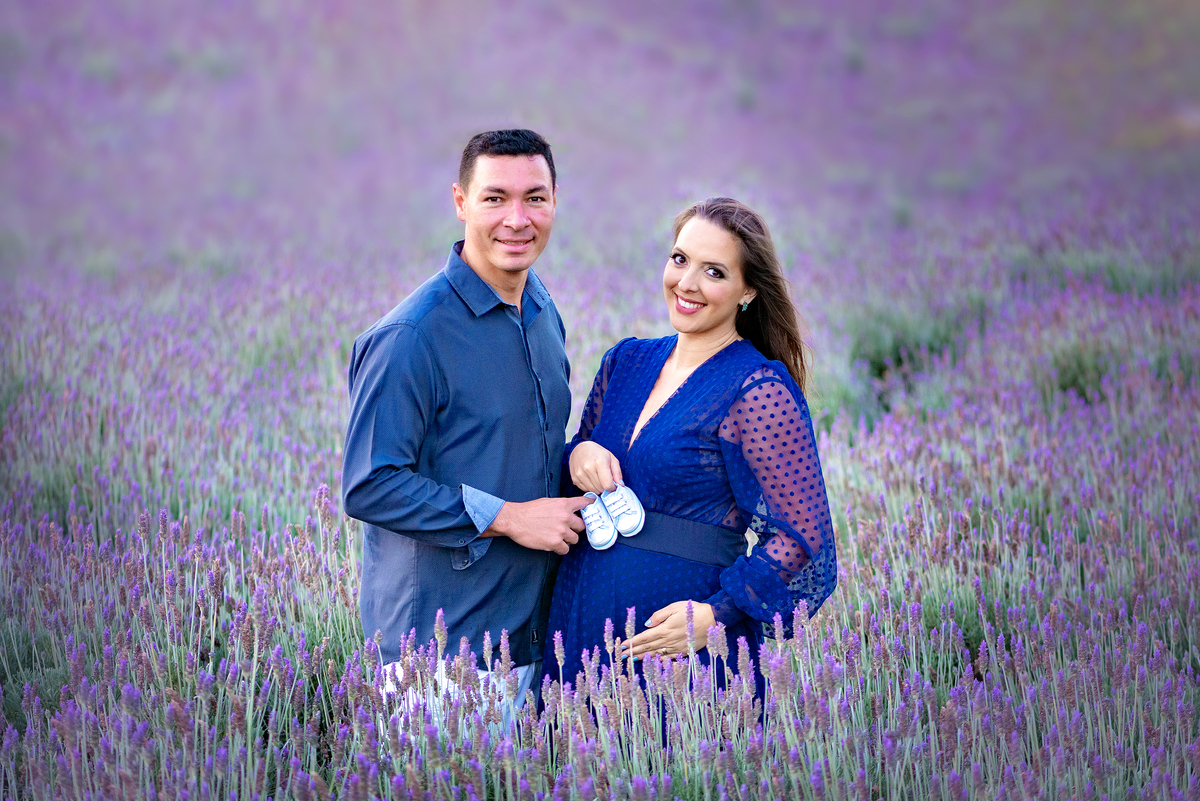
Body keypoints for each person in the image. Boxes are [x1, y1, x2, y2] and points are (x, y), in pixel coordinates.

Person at [543, 197, 837, 697]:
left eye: (715, 272)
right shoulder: (627, 362)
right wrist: (579, 454)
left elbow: (803, 538)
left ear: (747, 291)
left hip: (681, 646)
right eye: (680, 259)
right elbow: (576, 463)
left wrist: (715, 616)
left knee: (675, 767)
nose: (687, 283)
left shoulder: (757, 388)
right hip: (579, 616)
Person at [342, 129, 591, 705]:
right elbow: (369, 486)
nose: (517, 218)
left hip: (533, 639)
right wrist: (506, 517)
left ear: (556, 201)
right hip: (438, 659)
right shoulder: (410, 337)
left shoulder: (539, 308)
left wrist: (578, 454)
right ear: (460, 202)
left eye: (535, 197)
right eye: (494, 197)